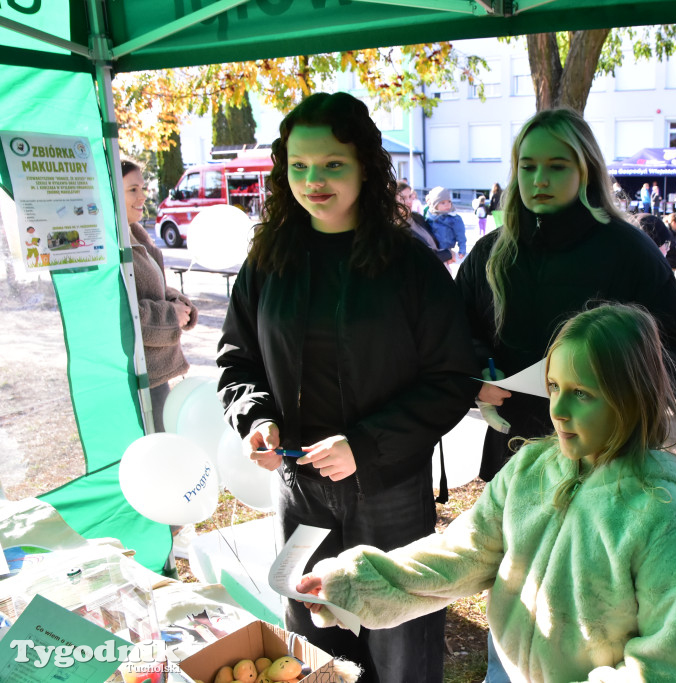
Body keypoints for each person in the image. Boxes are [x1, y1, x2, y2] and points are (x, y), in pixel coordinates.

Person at [295, 303, 676, 682]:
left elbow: (666, 665)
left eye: (582, 394)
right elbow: (462, 554)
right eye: (553, 387)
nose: (558, 409)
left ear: (632, 397)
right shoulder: (530, 470)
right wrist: (354, 584)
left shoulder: (663, 513)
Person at [216, 92, 478, 682]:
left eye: (333, 163)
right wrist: (253, 415)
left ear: (366, 166)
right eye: (300, 165)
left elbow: (452, 378)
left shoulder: (409, 263)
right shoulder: (269, 258)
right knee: (311, 639)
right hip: (298, 487)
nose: (314, 180)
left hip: (387, 490)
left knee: (400, 641)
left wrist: (365, 443)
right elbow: (237, 358)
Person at [455, 108, 676, 484]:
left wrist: (623, 398)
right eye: (528, 167)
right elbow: (452, 330)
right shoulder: (491, 252)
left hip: (603, 458)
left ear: (585, 169)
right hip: (513, 451)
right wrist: (475, 376)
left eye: (557, 166)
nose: (540, 179)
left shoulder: (627, 250)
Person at [121, 158, 198, 433]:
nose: (143, 196)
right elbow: (122, 312)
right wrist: (170, 316)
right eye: (132, 190)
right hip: (139, 376)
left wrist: (179, 303)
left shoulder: (135, 234)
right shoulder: (112, 245)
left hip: (154, 372)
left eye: (142, 188)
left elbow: (153, 286)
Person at [397, 181, 452, 264]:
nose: (409, 201)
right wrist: (448, 254)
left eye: (410, 196)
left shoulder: (416, 217)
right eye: (402, 198)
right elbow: (421, 260)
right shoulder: (395, 228)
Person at [425, 186, 468, 261]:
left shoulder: (454, 218)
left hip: (446, 250)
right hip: (433, 250)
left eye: (449, 202)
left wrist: (462, 249)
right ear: (435, 205)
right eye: (443, 203)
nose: (447, 205)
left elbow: (460, 235)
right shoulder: (430, 216)